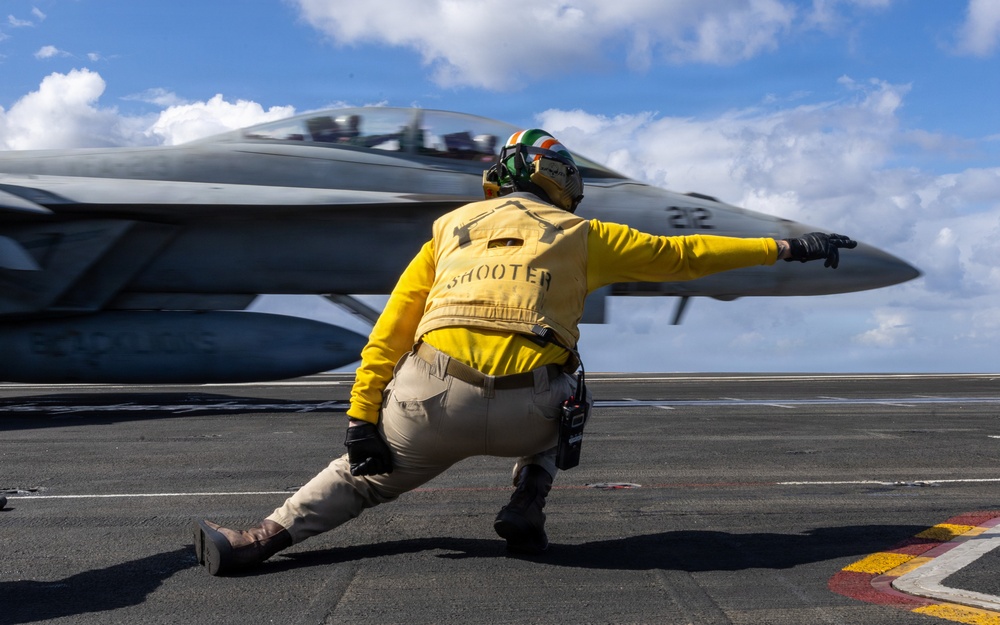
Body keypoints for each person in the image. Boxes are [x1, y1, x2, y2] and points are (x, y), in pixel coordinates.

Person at [192, 129, 857, 575]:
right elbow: (684, 256)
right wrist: (785, 244)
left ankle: (255, 541)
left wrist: (362, 420)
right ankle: (527, 501)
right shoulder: (582, 232)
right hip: (530, 410)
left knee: (359, 477)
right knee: (574, 384)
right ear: (556, 177)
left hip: (430, 404)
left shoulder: (448, 229)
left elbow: (389, 331)